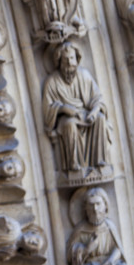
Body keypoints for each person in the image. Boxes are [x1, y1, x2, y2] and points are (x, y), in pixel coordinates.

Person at [42, 41, 110, 176]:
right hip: (66, 118)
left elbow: (98, 99)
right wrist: (62, 109)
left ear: (77, 59)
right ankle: (73, 165)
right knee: (69, 124)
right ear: (59, 61)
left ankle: (99, 162)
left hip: (85, 114)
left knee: (100, 119)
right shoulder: (52, 81)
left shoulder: (84, 75)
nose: (69, 63)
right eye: (65, 59)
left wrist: (94, 112)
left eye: (72, 58)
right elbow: (47, 109)